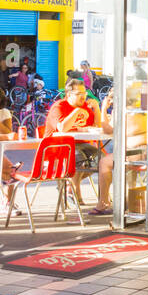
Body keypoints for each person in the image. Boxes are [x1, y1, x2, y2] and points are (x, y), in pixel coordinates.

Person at [44, 78, 113, 213]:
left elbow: (96, 127)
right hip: (59, 147)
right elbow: (62, 128)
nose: (83, 96)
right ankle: (73, 189)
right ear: (68, 95)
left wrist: (97, 109)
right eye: (79, 93)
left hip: (82, 144)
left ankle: (103, 200)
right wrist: (76, 112)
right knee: (78, 159)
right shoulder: (59, 107)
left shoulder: (85, 107)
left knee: (104, 161)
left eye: (84, 93)